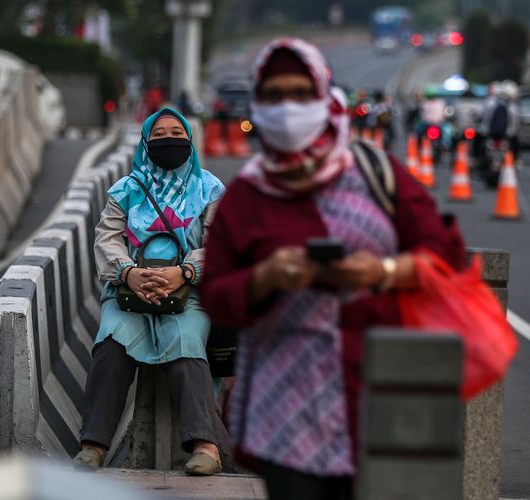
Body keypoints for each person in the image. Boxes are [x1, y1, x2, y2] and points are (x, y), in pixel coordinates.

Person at [198, 38, 465, 499]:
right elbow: (215, 295)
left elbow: (446, 258)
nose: (288, 108)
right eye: (274, 95)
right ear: (258, 104)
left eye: (301, 94)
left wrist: (380, 271)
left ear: (324, 96)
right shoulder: (247, 194)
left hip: (378, 395)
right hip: (282, 412)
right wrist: (265, 277)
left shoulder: (375, 173)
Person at [73, 107, 227, 476]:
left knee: (187, 341)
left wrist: (185, 272)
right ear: (145, 143)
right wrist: (129, 274)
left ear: (190, 140)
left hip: (188, 293)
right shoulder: (125, 191)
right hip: (129, 293)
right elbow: (107, 240)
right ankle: (93, 445)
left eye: (177, 132)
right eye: (158, 135)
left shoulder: (209, 189)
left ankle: (206, 446)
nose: (168, 140)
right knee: (112, 344)